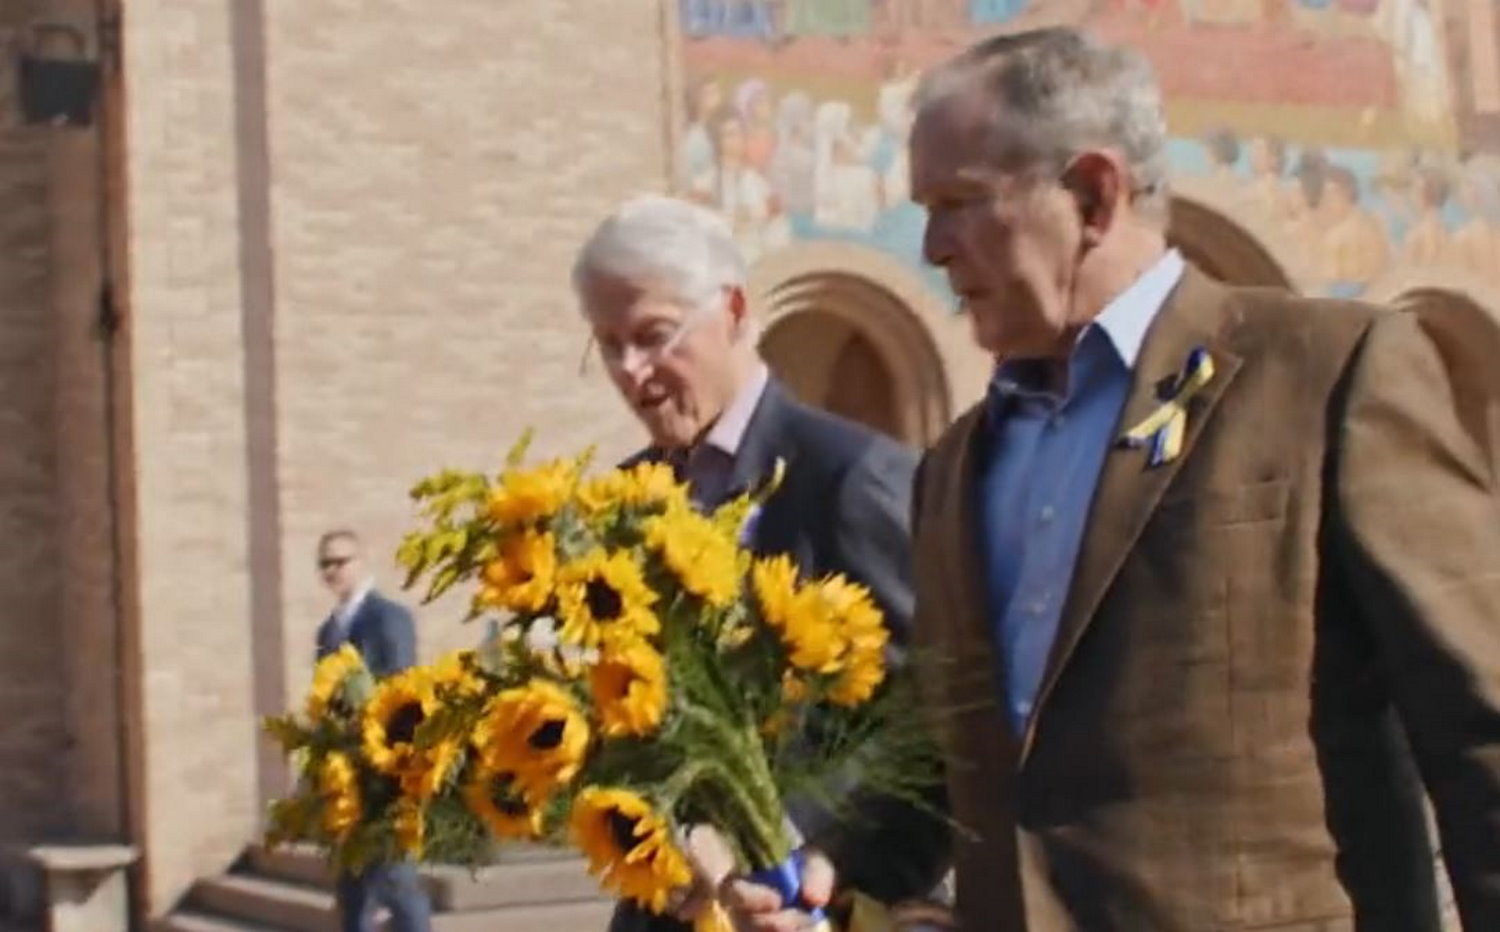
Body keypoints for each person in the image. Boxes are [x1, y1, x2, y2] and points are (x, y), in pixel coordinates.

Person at [727, 27, 1500, 931]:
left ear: (1094, 195)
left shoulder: (1326, 374)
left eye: (959, 202)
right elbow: (952, 750)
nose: (930, 245)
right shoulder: (953, 466)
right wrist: (830, 866)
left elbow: (1479, 719)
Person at [571, 195, 948, 931]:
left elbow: (934, 725)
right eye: (608, 345)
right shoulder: (624, 503)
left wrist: (804, 860)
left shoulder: (849, 476)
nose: (630, 369)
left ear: (735, 310)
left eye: (651, 336)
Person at [313, 529, 434, 932]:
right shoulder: (328, 630)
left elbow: (400, 689)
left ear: (361, 562)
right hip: (347, 779)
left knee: (396, 882)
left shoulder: (387, 618)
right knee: (353, 891)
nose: (332, 571)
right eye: (324, 564)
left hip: (385, 774)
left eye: (339, 561)